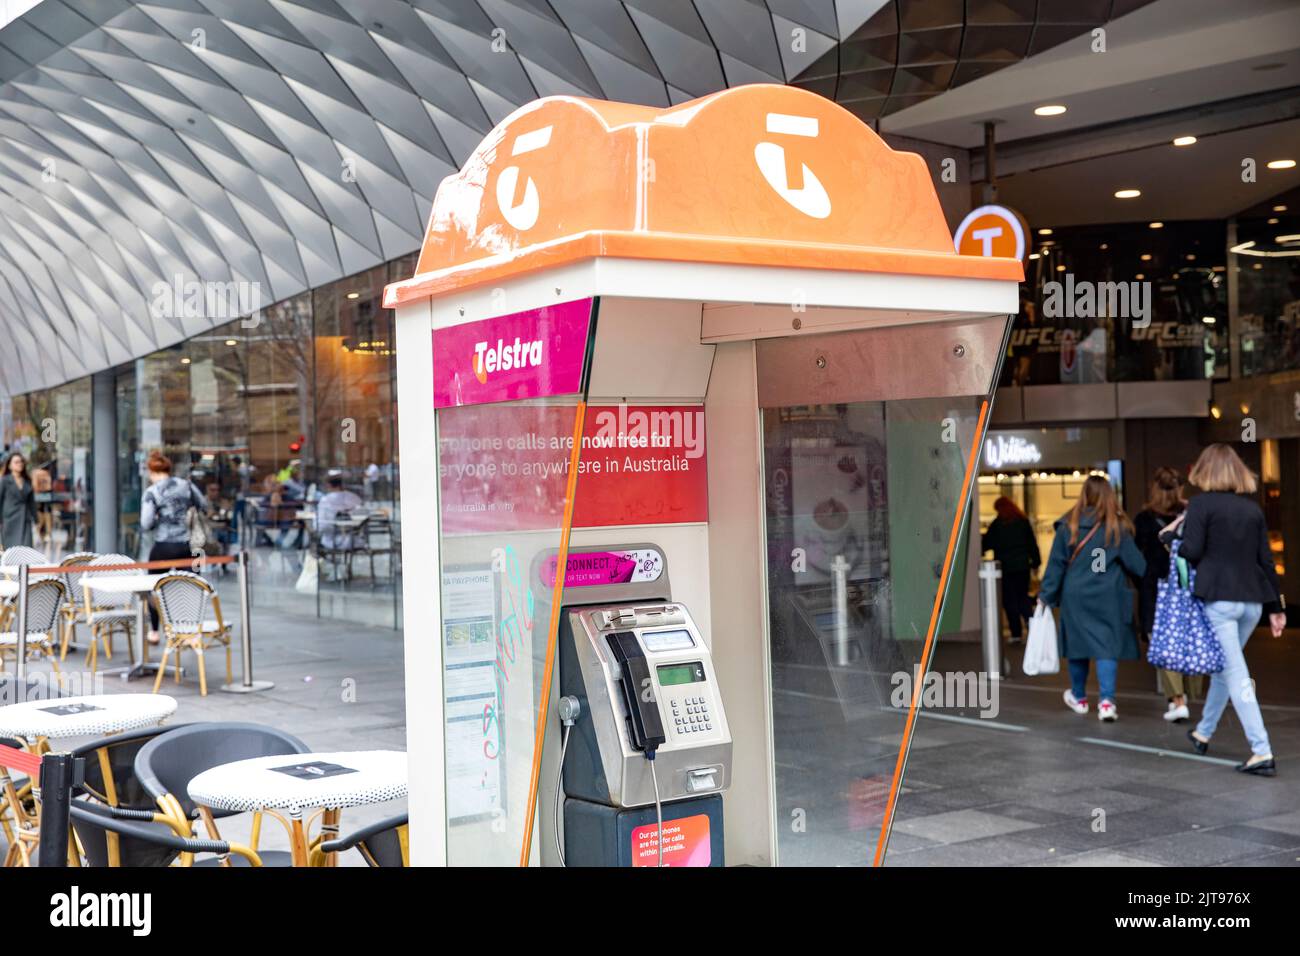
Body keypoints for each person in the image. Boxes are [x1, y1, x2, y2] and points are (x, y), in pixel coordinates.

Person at [1160, 444, 1283, 776]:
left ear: (1205, 471)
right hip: (1252, 604)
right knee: (1224, 668)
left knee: (1236, 674)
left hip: (1220, 603)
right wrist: (1277, 606)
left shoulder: (1201, 505)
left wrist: (1172, 540)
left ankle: (1262, 750)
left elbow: (1194, 551)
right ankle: (1204, 731)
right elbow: (1266, 561)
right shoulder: (1252, 510)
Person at [1037, 475, 1146, 722]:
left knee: (1078, 645)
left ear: (1084, 494)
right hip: (1109, 596)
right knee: (1106, 647)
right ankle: (1107, 702)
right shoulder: (1118, 528)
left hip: (1076, 596)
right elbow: (1138, 566)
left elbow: (1056, 566)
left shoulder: (1068, 526)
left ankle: (1079, 697)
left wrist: (1045, 596)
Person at [1134, 466, 1201, 722]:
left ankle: (1177, 700)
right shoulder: (1190, 513)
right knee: (1189, 639)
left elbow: (1138, 554)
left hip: (1156, 586)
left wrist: (1143, 579)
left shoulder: (1143, 518)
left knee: (1163, 643)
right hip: (1187, 585)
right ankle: (1188, 695)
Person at [139, 451, 206, 645]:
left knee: (152, 587)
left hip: (164, 546)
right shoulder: (187, 486)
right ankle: (191, 630)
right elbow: (203, 504)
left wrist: (161, 518)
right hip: (188, 545)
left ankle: (154, 631)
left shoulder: (152, 492)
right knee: (193, 587)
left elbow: (146, 523)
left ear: (152, 471)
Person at [981, 496, 1041, 642]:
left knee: (1009, 601)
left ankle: (1016, 634)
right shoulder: (1023, 521)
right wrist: (1036, 562)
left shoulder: (997, 524)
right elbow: (1032, 544)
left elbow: (987, 543)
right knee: (1023, 597)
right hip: (1022, 567)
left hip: (1005, 568)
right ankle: (1032, 627)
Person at [0, 451, 37, 549]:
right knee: (11, 552)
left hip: (25, 519)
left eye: (21, 462)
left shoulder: (27, 480)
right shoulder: (5, 481)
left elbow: (31, 502)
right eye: (16, 462)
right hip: (9, 521)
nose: (20, 464)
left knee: (26, 551)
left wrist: (36, 520)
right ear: (9, 466)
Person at [317, 473, 363, 550]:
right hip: (355, 541)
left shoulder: (325, 500)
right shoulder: (354, 497)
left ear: (328, 485)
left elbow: (322, 526)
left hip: (332, 542)